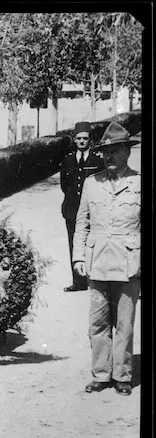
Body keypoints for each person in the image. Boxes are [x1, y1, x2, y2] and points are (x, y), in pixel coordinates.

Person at [73, 122, 141, 397]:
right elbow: (81, 223)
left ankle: (122, 375)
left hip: (128, 262)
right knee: (98, 322)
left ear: (127, 151)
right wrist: (78, 257)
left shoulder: (139, 182)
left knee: (124, 322)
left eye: (115, 151)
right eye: (105, 152)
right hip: (98, 260)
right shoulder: (92, 183)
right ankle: (100, 374)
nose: (109, 157)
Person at [59, 121, 105, 292]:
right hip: (71, 210)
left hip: (93, 210)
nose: (82, 141)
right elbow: (65, 185)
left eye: (85, 138)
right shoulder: (68, 160)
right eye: (78, 138)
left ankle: (97, 280)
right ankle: (78, 282)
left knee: (95, 244)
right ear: (74, 140)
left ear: (90, 140)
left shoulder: (98, 160)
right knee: (74, 244)